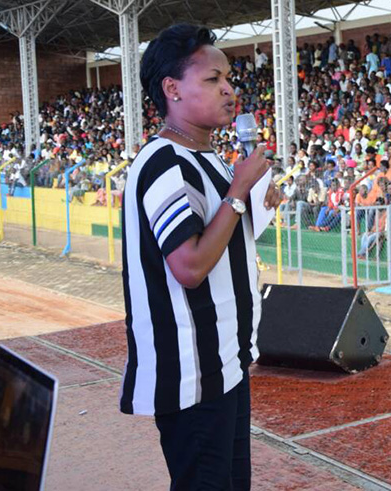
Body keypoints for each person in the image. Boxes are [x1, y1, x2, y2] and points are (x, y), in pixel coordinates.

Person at [126, 24, 282, 490]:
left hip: (225, 363)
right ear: (172, 89)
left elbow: (225, 235)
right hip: (190, 374)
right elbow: (189, 266)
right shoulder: (163, 162)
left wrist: (255, 203)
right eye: (213, 79)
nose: (230, 89)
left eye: (229, 78)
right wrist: (237, 192)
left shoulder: (208, 158)